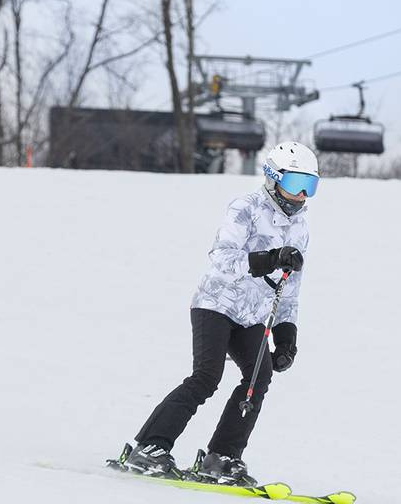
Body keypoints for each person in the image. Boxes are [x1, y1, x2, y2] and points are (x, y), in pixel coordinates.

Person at [114, 142, 319, 487]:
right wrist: (269, 258)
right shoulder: (246, 208)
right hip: (216, 304)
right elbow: (222, 259)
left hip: (251, 316)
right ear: (273, 178)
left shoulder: (301, 229)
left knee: (258, 378)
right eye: (295, 183)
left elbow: (290, 289)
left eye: (309, 186)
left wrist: (286, 337)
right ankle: (149, 448)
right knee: (207, 377)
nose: (300, 195)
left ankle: (221, 457)